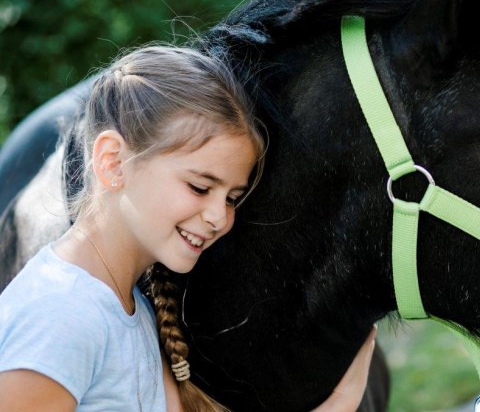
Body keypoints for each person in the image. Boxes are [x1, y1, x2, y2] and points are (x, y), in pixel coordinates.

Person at [0, 45, 376, 411]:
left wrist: (340, 403)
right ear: (113, 162)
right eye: (200, 187)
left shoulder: (129, 307)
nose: (219, 217)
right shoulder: (61, 317)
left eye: (232, 198)